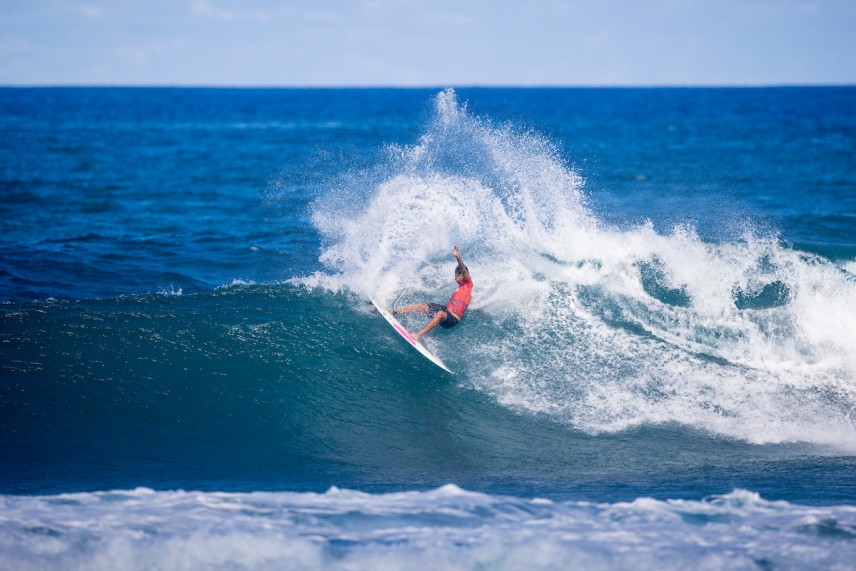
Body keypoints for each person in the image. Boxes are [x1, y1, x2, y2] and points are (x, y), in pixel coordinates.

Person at [393, 246, 473, 341]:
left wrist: (457, 257)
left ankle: (418, 335)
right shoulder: (461, 288)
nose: (455, 277)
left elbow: (463, 270)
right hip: (446, 311)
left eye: (455, 275)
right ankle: (394, 311)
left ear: (459, 275)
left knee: (440, 314)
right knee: (423, 307)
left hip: (452, 319)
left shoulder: (468, 283)